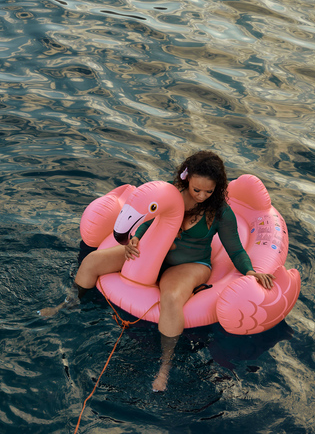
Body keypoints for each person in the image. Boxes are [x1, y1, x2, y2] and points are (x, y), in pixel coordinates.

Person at [72, 150, 275, 392]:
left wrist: (250, 271)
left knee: (170, 298)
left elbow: (236, 250)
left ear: (217, 188)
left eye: (208, 191)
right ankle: (72, 303)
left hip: (191, 265)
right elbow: (147, 221)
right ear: (186, 178)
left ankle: (164, 366)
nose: (201, 196)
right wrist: (135, 240)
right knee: (93, 261)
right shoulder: (171, 195)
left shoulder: (220, 212)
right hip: (156, 254)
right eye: (196, 189)